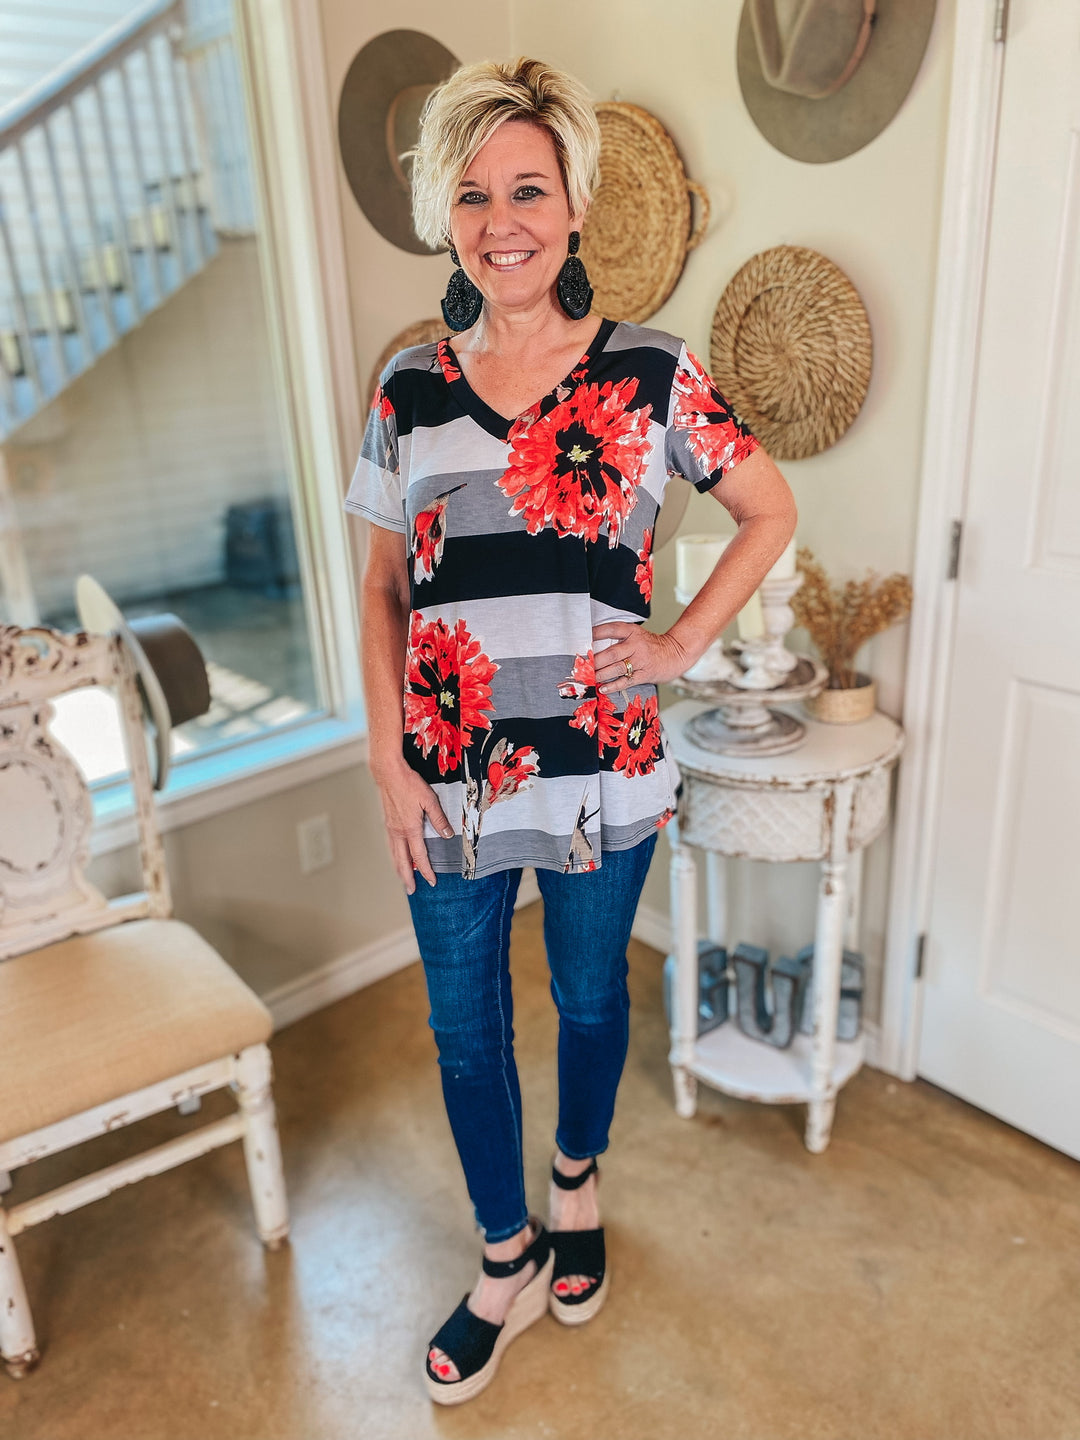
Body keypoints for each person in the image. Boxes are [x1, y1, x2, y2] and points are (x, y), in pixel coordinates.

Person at [346, 57, 797, 1405]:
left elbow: (769, 513)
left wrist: (672, 646)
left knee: (593, 1001)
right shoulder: (408, 391)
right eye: (474, 193)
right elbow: (378, 583)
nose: (503, 220)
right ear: (448, 216)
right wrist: (384, 756)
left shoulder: (655, 375)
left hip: (608, 771)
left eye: (528, 188)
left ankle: (577, 1184)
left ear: (577, 206)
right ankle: (504, 1256)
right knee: (466, 1028)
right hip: (447, 778)